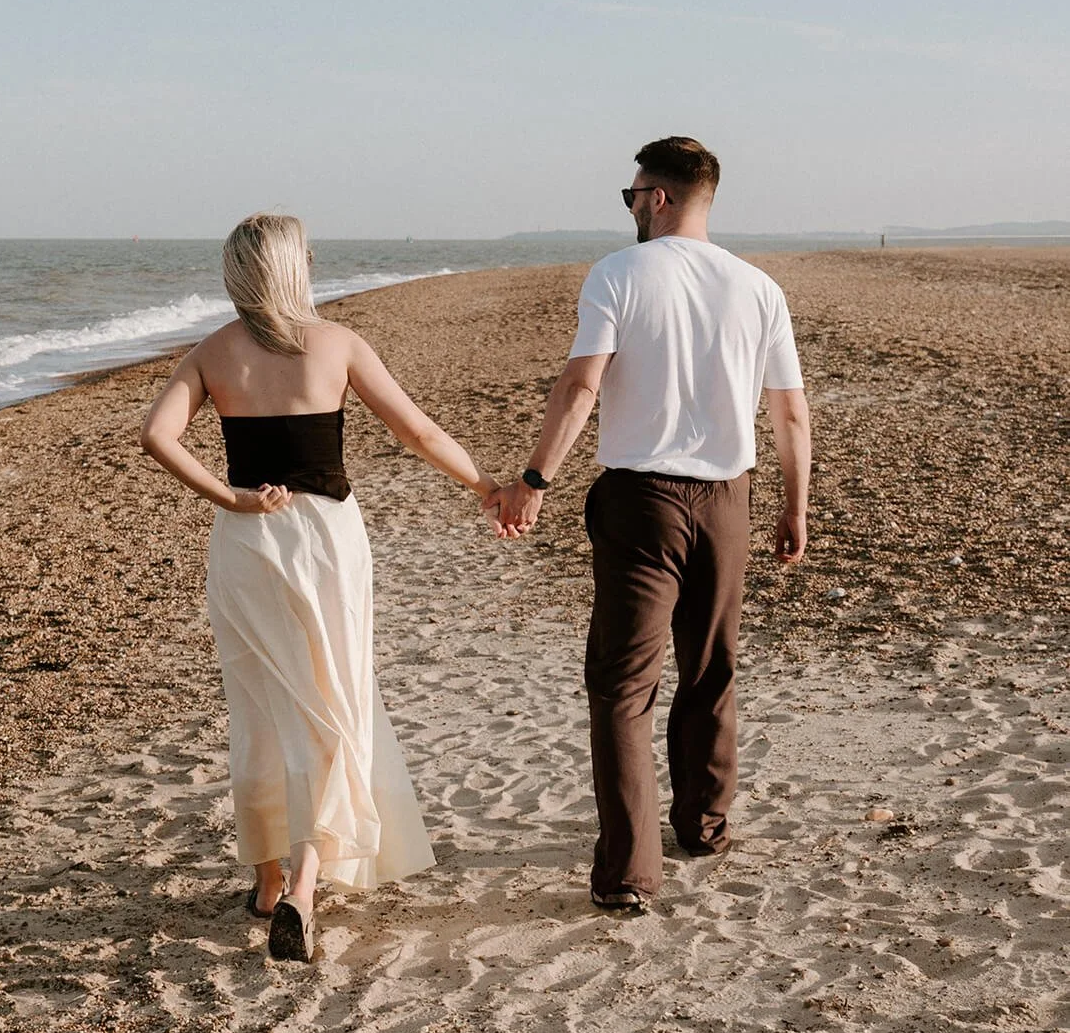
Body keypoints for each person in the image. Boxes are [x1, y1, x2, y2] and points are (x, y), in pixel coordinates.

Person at [140, 213, 497, 962]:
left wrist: (231, 498)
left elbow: (157, 436)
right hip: (328, 541)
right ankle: (304, 885)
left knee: (261, 706)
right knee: (332, 698)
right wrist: (486, 484)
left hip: (247, 542)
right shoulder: (337, 345)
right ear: (293, 269)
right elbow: (420, 433)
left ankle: (267, 881)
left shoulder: (213, 353)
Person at [489, 138, 810, 914]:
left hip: (643, 501)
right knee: (710, 669)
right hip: (729, 500)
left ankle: (630, 873)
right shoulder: (758, 287)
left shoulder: (619, 274)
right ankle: (703, 826)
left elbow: (580, 385)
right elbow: (790, 410)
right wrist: (795, 505)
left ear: (658, 196)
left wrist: (534, 481)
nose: (630, 206)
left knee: (624, 686)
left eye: (632, 193)